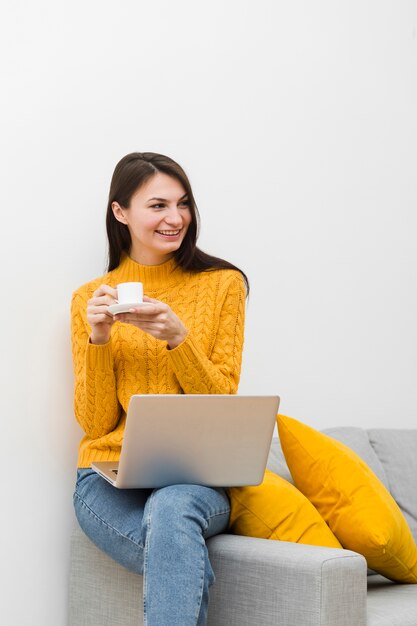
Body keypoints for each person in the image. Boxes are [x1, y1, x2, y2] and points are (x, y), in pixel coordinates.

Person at [71, 152, 249, 626]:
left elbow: (221, 405)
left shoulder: (223, 285)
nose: (176, 219)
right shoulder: (91, 298)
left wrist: (177, 337)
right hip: (107, 479)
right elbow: (96, 424)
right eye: (158, 206)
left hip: (196, 478)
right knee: (179, 555)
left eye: (183, 204)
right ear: (120, 212)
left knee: (172, 511)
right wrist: (99, 340)